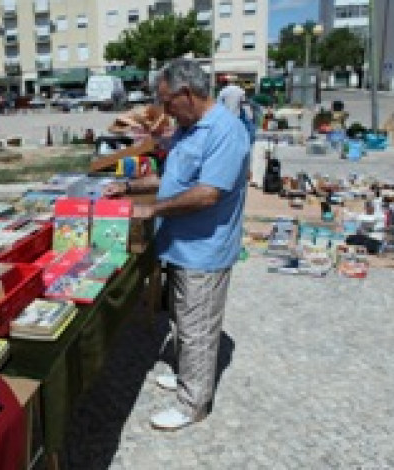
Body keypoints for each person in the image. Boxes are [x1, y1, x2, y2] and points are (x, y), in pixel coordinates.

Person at [103, 58, 250, 431]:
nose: (165, 110)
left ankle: (193, 403)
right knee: (184, 319)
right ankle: (190, 374)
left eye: (168, 102)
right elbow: (174, 179)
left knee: (197, 325)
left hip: (205, 249)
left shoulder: (225, 131)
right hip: (182, 245)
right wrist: (130, 187)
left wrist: (149, 210)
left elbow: (206, 195)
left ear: (187, 94)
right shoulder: (189, 128)